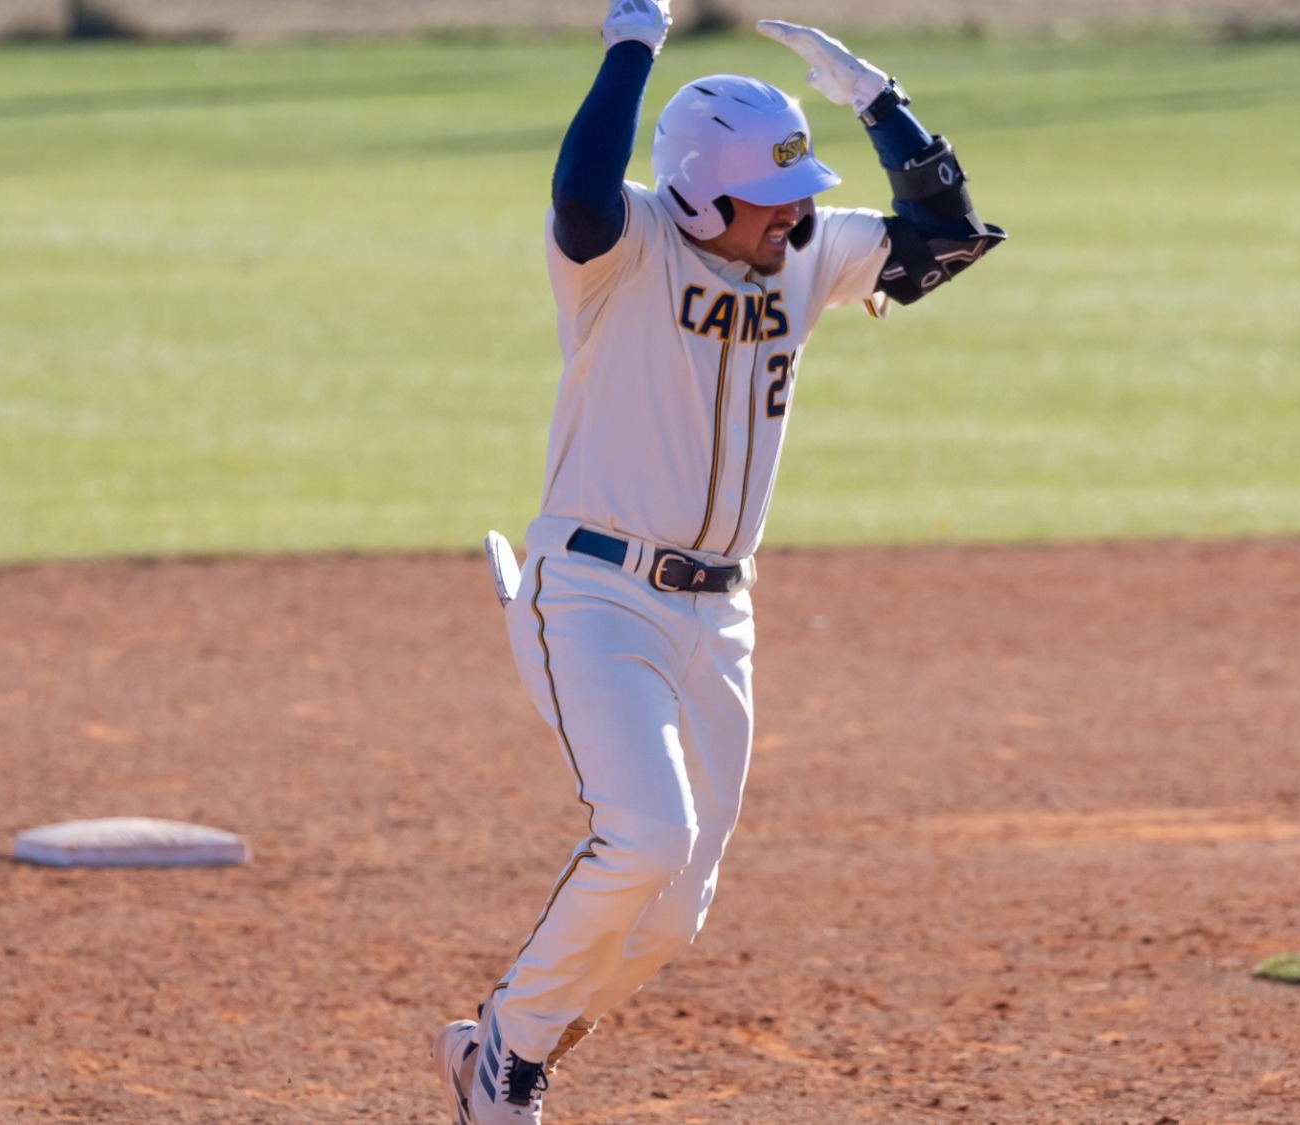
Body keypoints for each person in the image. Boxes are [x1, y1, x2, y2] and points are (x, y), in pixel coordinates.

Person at [435, 4, 1006, 1121]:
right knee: (647, 833)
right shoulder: (623, 249)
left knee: (673, 913)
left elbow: (944, 235)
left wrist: (874, 99)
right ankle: (505, 1061)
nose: (798, 219)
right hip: (593, 594)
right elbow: (578, 197)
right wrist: (630, 47)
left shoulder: (807, 256)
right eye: (775, 200)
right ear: (702, 195)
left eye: (804, 200)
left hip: (719, 621)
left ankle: (499, 1048)